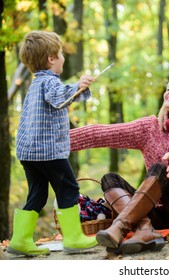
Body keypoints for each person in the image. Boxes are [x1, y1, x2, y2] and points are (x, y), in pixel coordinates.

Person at [69, 73, 169, 254]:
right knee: (110, 179)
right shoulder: (149, 128)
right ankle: (144, 229)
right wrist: (57, 142)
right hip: (157, 215)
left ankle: (120, 226)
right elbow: (102, 134)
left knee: (160, 168)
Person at [8, 31, 98, 257]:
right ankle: (74, 238)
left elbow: (58, 97)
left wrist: (79, 88)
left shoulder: (35, 85)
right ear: (51, 58)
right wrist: (79, 85)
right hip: (48, 152)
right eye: (60, 55)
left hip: (29, 153)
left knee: (37, 194)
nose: (63, 59)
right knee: (68, 188)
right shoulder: (49, 81)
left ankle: (19, 240)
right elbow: (60, 97)